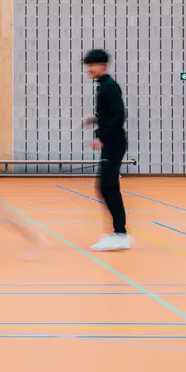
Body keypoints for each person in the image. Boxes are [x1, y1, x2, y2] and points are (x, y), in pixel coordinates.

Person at [83, 49, 131, 251]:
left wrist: (101, 136)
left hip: (114, 143)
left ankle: (120, 234)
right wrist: (94, 120)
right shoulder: (103, 86)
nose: (89, 69)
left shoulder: (109, 87)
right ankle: (119, 233)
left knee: (106, 187)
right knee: (107, 187)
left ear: (103, 66)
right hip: (112, 141)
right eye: (88, 66)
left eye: (93, 65)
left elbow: (120, 114)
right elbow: (110, 113)